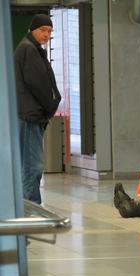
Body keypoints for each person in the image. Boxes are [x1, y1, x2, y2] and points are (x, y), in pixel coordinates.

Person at [14, 14, 61, 204]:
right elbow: (39, 84)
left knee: (29, 166)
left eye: (50, 31)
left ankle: (30, 208)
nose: (47, 34)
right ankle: (30, 210)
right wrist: (51, 106)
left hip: (29, 115)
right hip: (30, 116)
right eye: (43, 30)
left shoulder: (31, 49)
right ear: (32, 30)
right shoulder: (29, 50)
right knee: (32, 166)